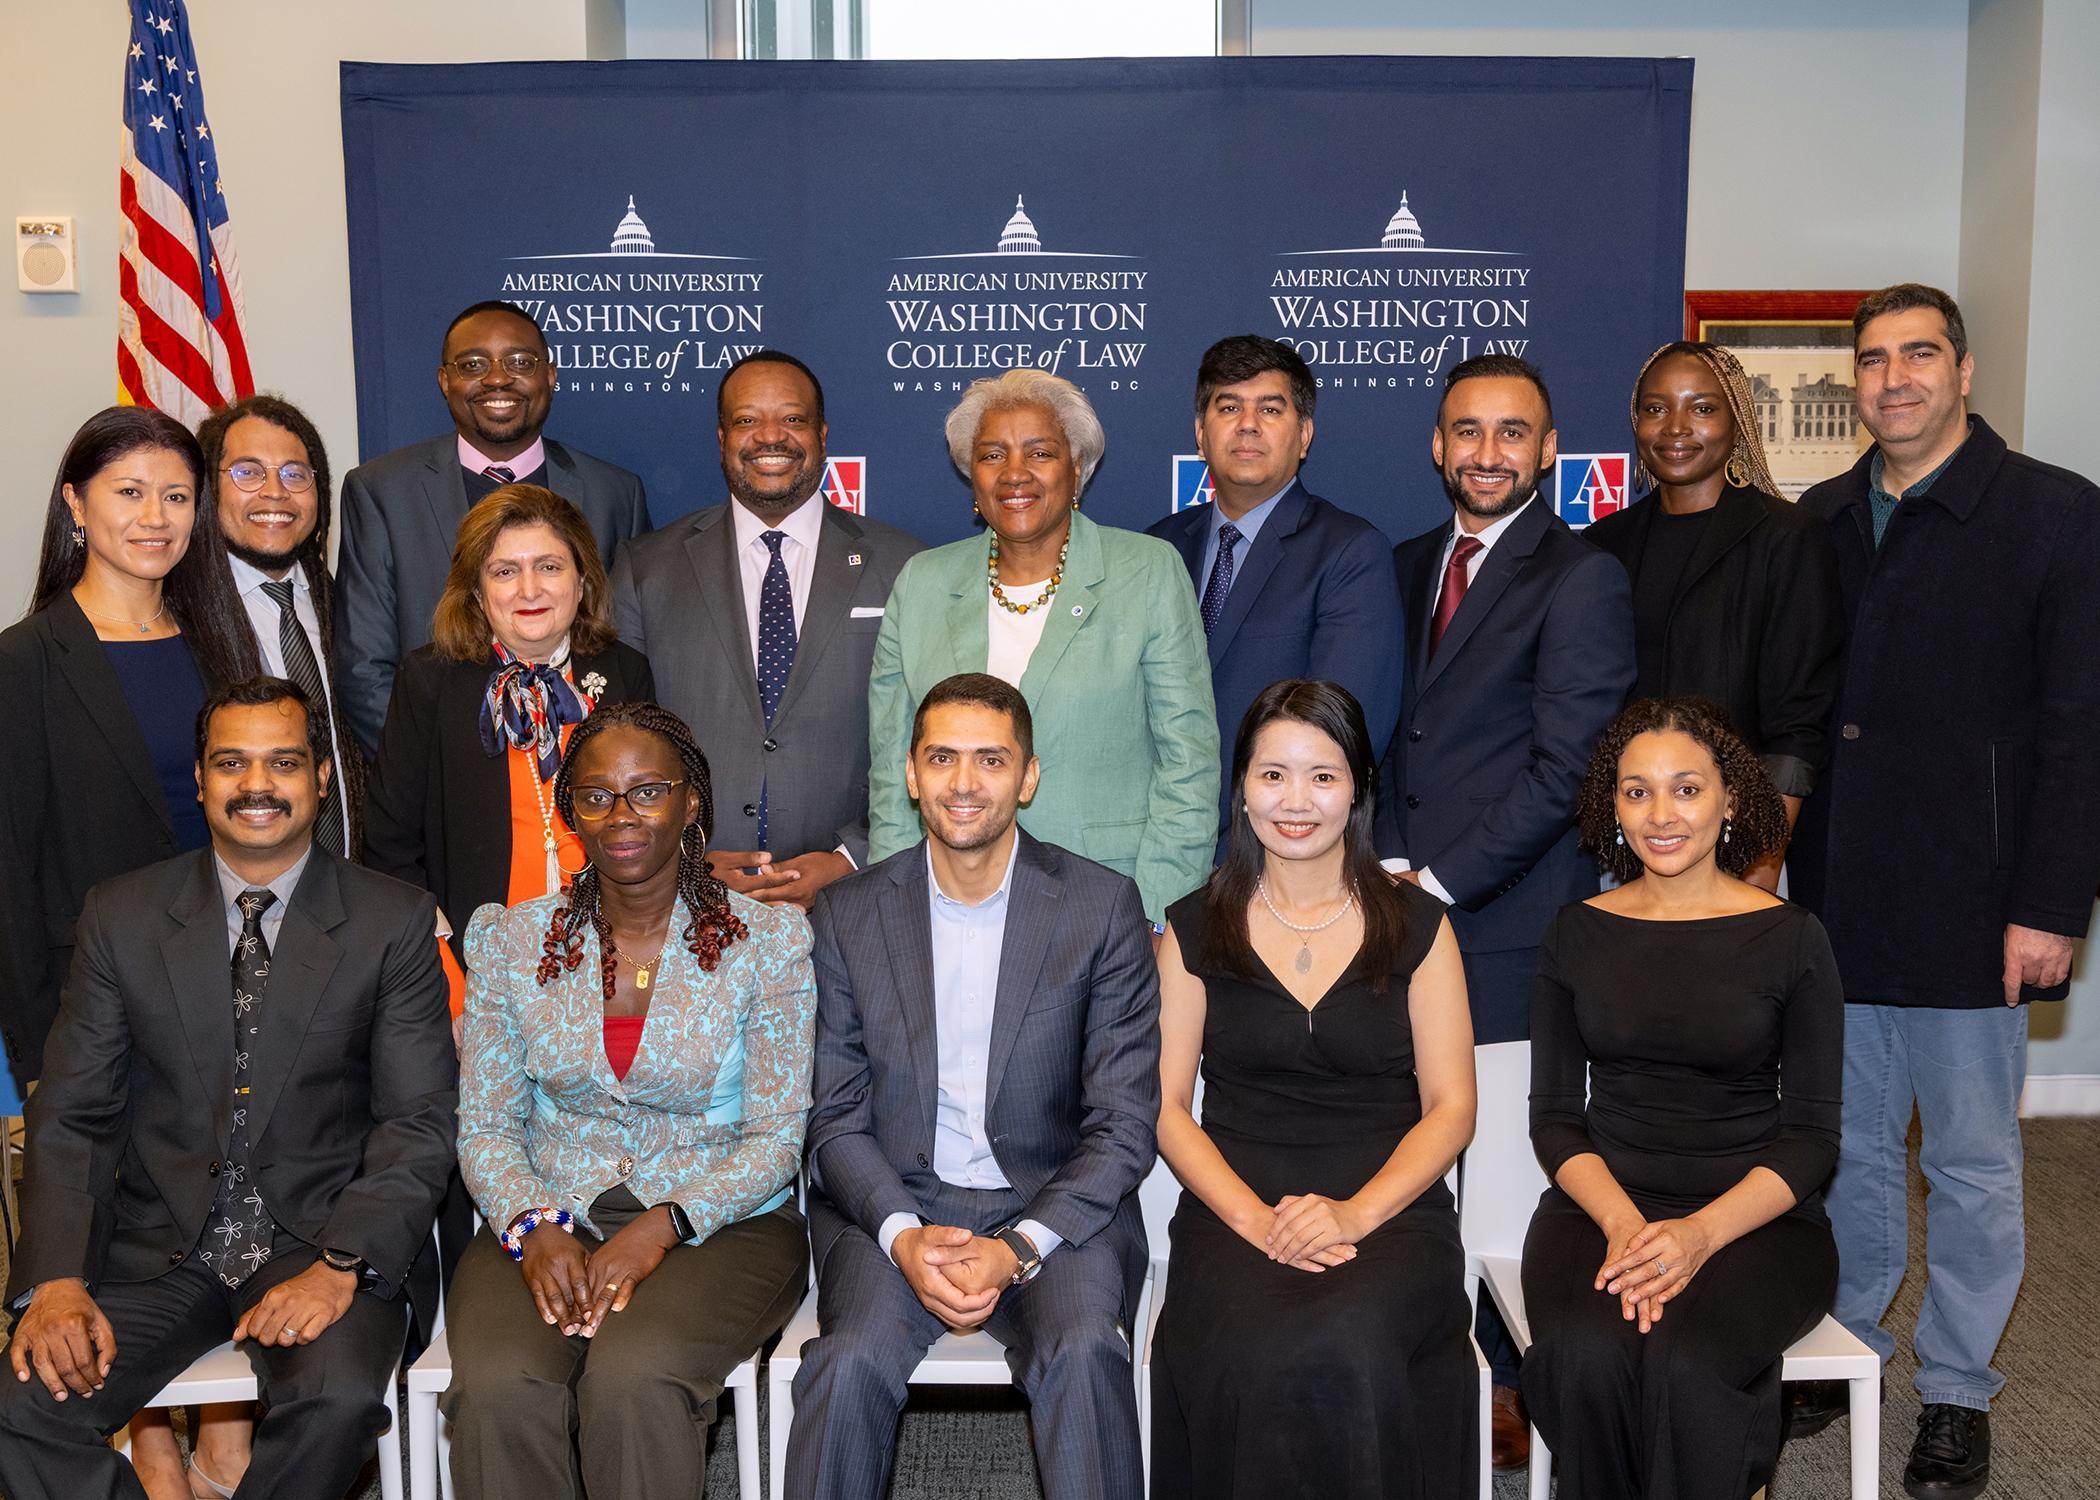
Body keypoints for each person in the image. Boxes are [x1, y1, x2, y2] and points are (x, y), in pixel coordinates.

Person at [1785, 283, 2100, 1499]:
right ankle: (1849, 1348)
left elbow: (2079, 732)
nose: (1894, 378)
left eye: (1919, 354)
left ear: (1964, 371)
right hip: (1835, 903)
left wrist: (2051, 904)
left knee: (1970, 1164)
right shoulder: (1818, 519)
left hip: (1978, 904)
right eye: (1872, 360)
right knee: (1851, 1150)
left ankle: (1958, 1389)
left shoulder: (2056, 517)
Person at [0, 677, 457, 1500]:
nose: (257, 785)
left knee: (337, 1396)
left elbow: (418, 1123)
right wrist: (58, 1277)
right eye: (232, 763)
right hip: (155, 1250)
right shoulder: (122, 917)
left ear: (321, 777)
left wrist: (341, 1264)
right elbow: (72, 1113)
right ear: (203, 779)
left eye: (283, 762)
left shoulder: (392, 921)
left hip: (318, 1239)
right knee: (22, 1402)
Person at [786, 673, 1160, 1500]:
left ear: (1028, 776)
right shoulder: (845, 914)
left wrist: (1018, 1246)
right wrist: (903, 1235)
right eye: (942, 758)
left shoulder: (1100, 908)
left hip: (1056, 1209)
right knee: (844, 1366)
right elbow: (834, 1118)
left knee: (1086, 1349)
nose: (964, 783)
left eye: (990, 759)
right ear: (911, 774)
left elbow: (1125, 1123)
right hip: (897, 1204)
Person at [443, 702, 814, 1497]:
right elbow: (486, 1126)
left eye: (648, 791)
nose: (622, 816)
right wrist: (533, 1225)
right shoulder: (512, 942)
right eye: (596, 796)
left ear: (691, 802)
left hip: (722, 1222)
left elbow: (779, 1137)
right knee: (504, 1384)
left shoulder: (768, 943)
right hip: (546, 1209)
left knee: (633, 1378)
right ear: (570, 811)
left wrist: (663, 1225)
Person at [1372, 353, 1634, 1465]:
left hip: (1506, 913)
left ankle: (1516, 1381)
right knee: (1411, 1142)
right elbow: (1385, 732)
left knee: (1511, 1169)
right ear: (1437, 446)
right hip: (1387, 906)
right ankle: (1428, 1359)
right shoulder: (1401, 564)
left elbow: (1569, 762)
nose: (1487, 453)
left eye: (1511, 433)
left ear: (1549, 452)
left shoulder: (1581, 579)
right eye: (1466, 431)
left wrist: (1435, 882)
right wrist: (1376, 858)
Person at [1151, 679, 1477, 1498]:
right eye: (1273, 775)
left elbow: (1453, 1108)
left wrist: (1356, 1213)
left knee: (1353, 1340)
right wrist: (1258, 1223)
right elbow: (1165, 1110)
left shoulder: (1421, 927)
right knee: (1249, 1346)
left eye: (1323, 776)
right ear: (1241, 789)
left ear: (1360, 788)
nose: (1296, 801)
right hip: (1234, 1211)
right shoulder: (1191, 928)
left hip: (1391, 1211)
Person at [1521, 696, 1842, 1499]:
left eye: (1686, 789)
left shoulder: (1793, 937)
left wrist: (1696, 1236)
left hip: (1756, 1222)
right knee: (1587, 1359)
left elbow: (1811, 1138)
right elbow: (1555, 1119)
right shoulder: (1576, 932)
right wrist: (1627, 1227)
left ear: (1731, 799)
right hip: (1600, 1212)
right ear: (1611, 804)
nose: (1661, 814)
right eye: (1636, 791)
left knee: (1688, 1363)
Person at [868, 369, 1218, 925]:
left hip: (1107, 901)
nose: (1015, 474)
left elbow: (1189, 765)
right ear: (971, 477)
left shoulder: (1147, 572)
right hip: (946, 901)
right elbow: (893, 771)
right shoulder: (921, 583)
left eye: (1040, 452)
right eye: (992, 455)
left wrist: (1157, 915)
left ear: (1077, 468)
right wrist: (889, 909)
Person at [0, 406, 258, 1088]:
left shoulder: (221, 643)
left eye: (176, 497)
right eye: (130, 491)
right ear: (75, 503)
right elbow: (9, 872)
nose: (156, 517)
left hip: (239, 979)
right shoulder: (24, 661)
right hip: (94, 1005)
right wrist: (38, 1055)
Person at [610, 350, 921, 910]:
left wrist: (851, 857)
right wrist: (680, 853)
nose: (770, 437)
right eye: (748, 420)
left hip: (856, 895)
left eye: (793, 419)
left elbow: (928, 732)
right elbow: (619, 740)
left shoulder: (904, 566)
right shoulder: (646, 568)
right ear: (722, 436)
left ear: (822, 435)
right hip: (690, 896)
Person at [363, 484, 655, 1012]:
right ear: (476, 592)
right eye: (504, 571)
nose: (529, 590)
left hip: (612, 975)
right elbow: (390, 850)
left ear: (582, 580)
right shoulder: (430, 681)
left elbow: (656, 833)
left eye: (549, 566)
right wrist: (447, 987)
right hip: (475, 980)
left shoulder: (624, 672)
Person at [336, 299, 652, 754]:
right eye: (473, 364)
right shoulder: (380, 491)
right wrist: (445, 770)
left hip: (581, 771)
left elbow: (625, 654)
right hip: (439, 778)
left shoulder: (615, 493)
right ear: (445, 381)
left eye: (520, 362)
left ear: (551, 375)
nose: (498, 378)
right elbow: (363, 669)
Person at [1583, 341, 1845, 888]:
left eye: (1702, 408)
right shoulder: (1603, 545)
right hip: (1626, 845)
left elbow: (1798, 725)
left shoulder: (1787, 538)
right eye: (1656, 408)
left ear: (1737, 422)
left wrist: (1762, 860)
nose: (1676, 427)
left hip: (1738, 847)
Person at [1147, 337, 1406, 852]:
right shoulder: (1158, 547)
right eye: (1228, 407)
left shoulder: (1349, 551)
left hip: (1270, 852)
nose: (1247, 424)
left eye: (1270, 408)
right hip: (1156, 844)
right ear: (1201, 434)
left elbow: (1340, 737)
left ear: (1304, 434)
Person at [201, 394, 359, 856]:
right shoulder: (177, 615)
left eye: (294, 474)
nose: (275, 492)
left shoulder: (344, 602)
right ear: (209, 489)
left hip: (356, 885)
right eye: (248, 472)